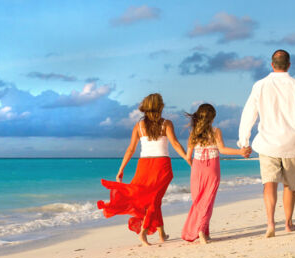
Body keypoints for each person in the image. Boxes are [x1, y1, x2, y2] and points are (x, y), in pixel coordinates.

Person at [238, 49, 295, 238]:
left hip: (268, 144)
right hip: (291, 144)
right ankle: (288, 223)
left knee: (269, 183)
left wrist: (243, 141)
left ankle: (270, 222)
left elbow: (249, 114)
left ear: (272, 64)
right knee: (290, 186)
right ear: (289, 65)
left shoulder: (260, 85)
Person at [97, 93, 190, 246]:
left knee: (154, 200)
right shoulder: (167, 123)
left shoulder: (139, 126)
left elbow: (130, 149)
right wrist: (187, 158)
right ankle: (144, 232)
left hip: (143, 166)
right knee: (154, 200)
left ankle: (162, 234)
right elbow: (175, 144)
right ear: (160, 107)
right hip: (162, 166)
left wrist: (121, 169)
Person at [181, 104, 246, 244]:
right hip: (212, 169)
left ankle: (204, 231)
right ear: (212, 117)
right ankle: (201, 232)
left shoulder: (193, 133)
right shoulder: (216, 131)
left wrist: (195, 166)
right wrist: (240, 152)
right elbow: (222, 150)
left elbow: (187, 157)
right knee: (208, 201)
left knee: (199, 201)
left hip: (197, 170)